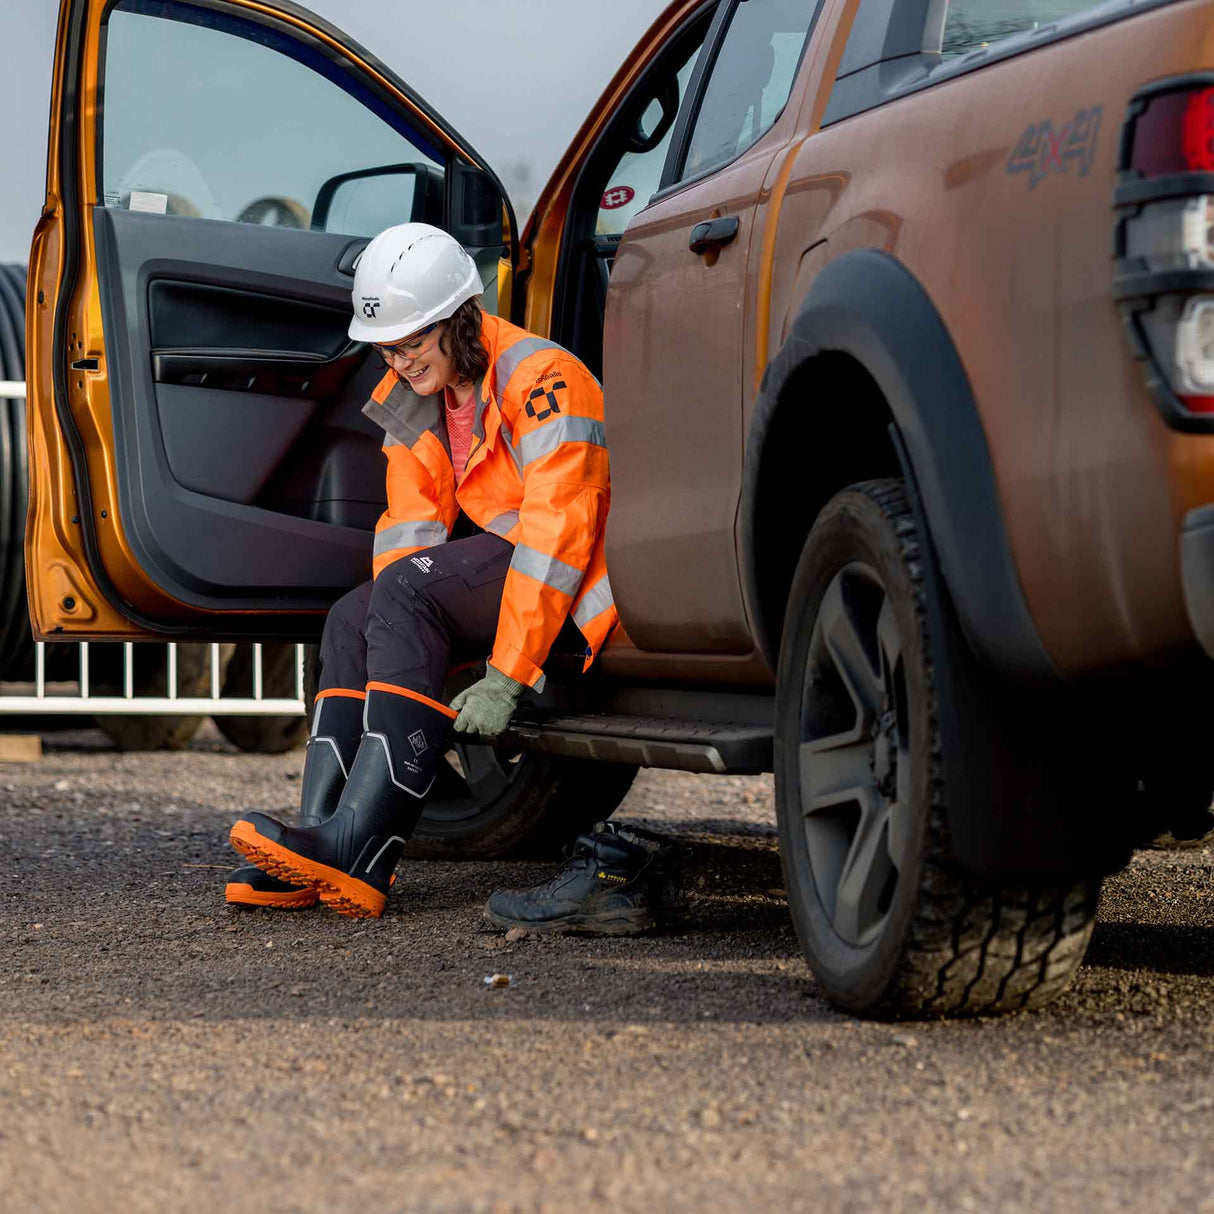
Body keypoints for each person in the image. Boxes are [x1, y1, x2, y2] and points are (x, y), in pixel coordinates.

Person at [225, 222, 671, 928]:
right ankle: (323, 835)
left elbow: (561, 535)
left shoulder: (543, 377)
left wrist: (510, 672)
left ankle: (362, 848)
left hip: (580, 584)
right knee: (351, 614)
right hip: (517, 564)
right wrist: (392, 632)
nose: (398, 361)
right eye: (387, 347)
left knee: (402, 594)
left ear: (459, 320)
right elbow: (408, 528)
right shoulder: (418, 399)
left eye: (411, 342)